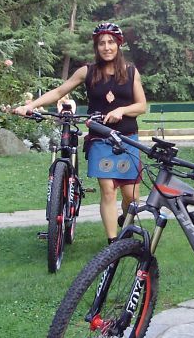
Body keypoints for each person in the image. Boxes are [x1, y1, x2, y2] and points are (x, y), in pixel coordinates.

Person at [13, 23, 148, 242]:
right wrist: (31, 106)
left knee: (131, 196)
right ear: (96, 47)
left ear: (118, 45)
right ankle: (113, 243)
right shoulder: (88, 71)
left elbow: (141, 105)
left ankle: (125, 216)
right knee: (107, 189)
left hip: (126, 138)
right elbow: (59, 91)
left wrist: (122, 110)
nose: (106, 47)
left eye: (111, 42)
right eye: (102, 43)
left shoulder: (131, 72)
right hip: (100, 138)